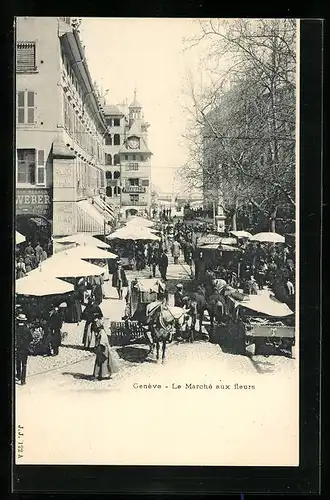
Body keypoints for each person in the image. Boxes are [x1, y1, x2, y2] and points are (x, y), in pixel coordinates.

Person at [15, 314, 33, 385]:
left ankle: (18, 376)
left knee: (18, 362)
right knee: (24, 364)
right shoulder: (26, 329)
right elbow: (31, 338)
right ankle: (23, 381)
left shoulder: (15, 328)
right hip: (25, 349)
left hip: (17, 348)